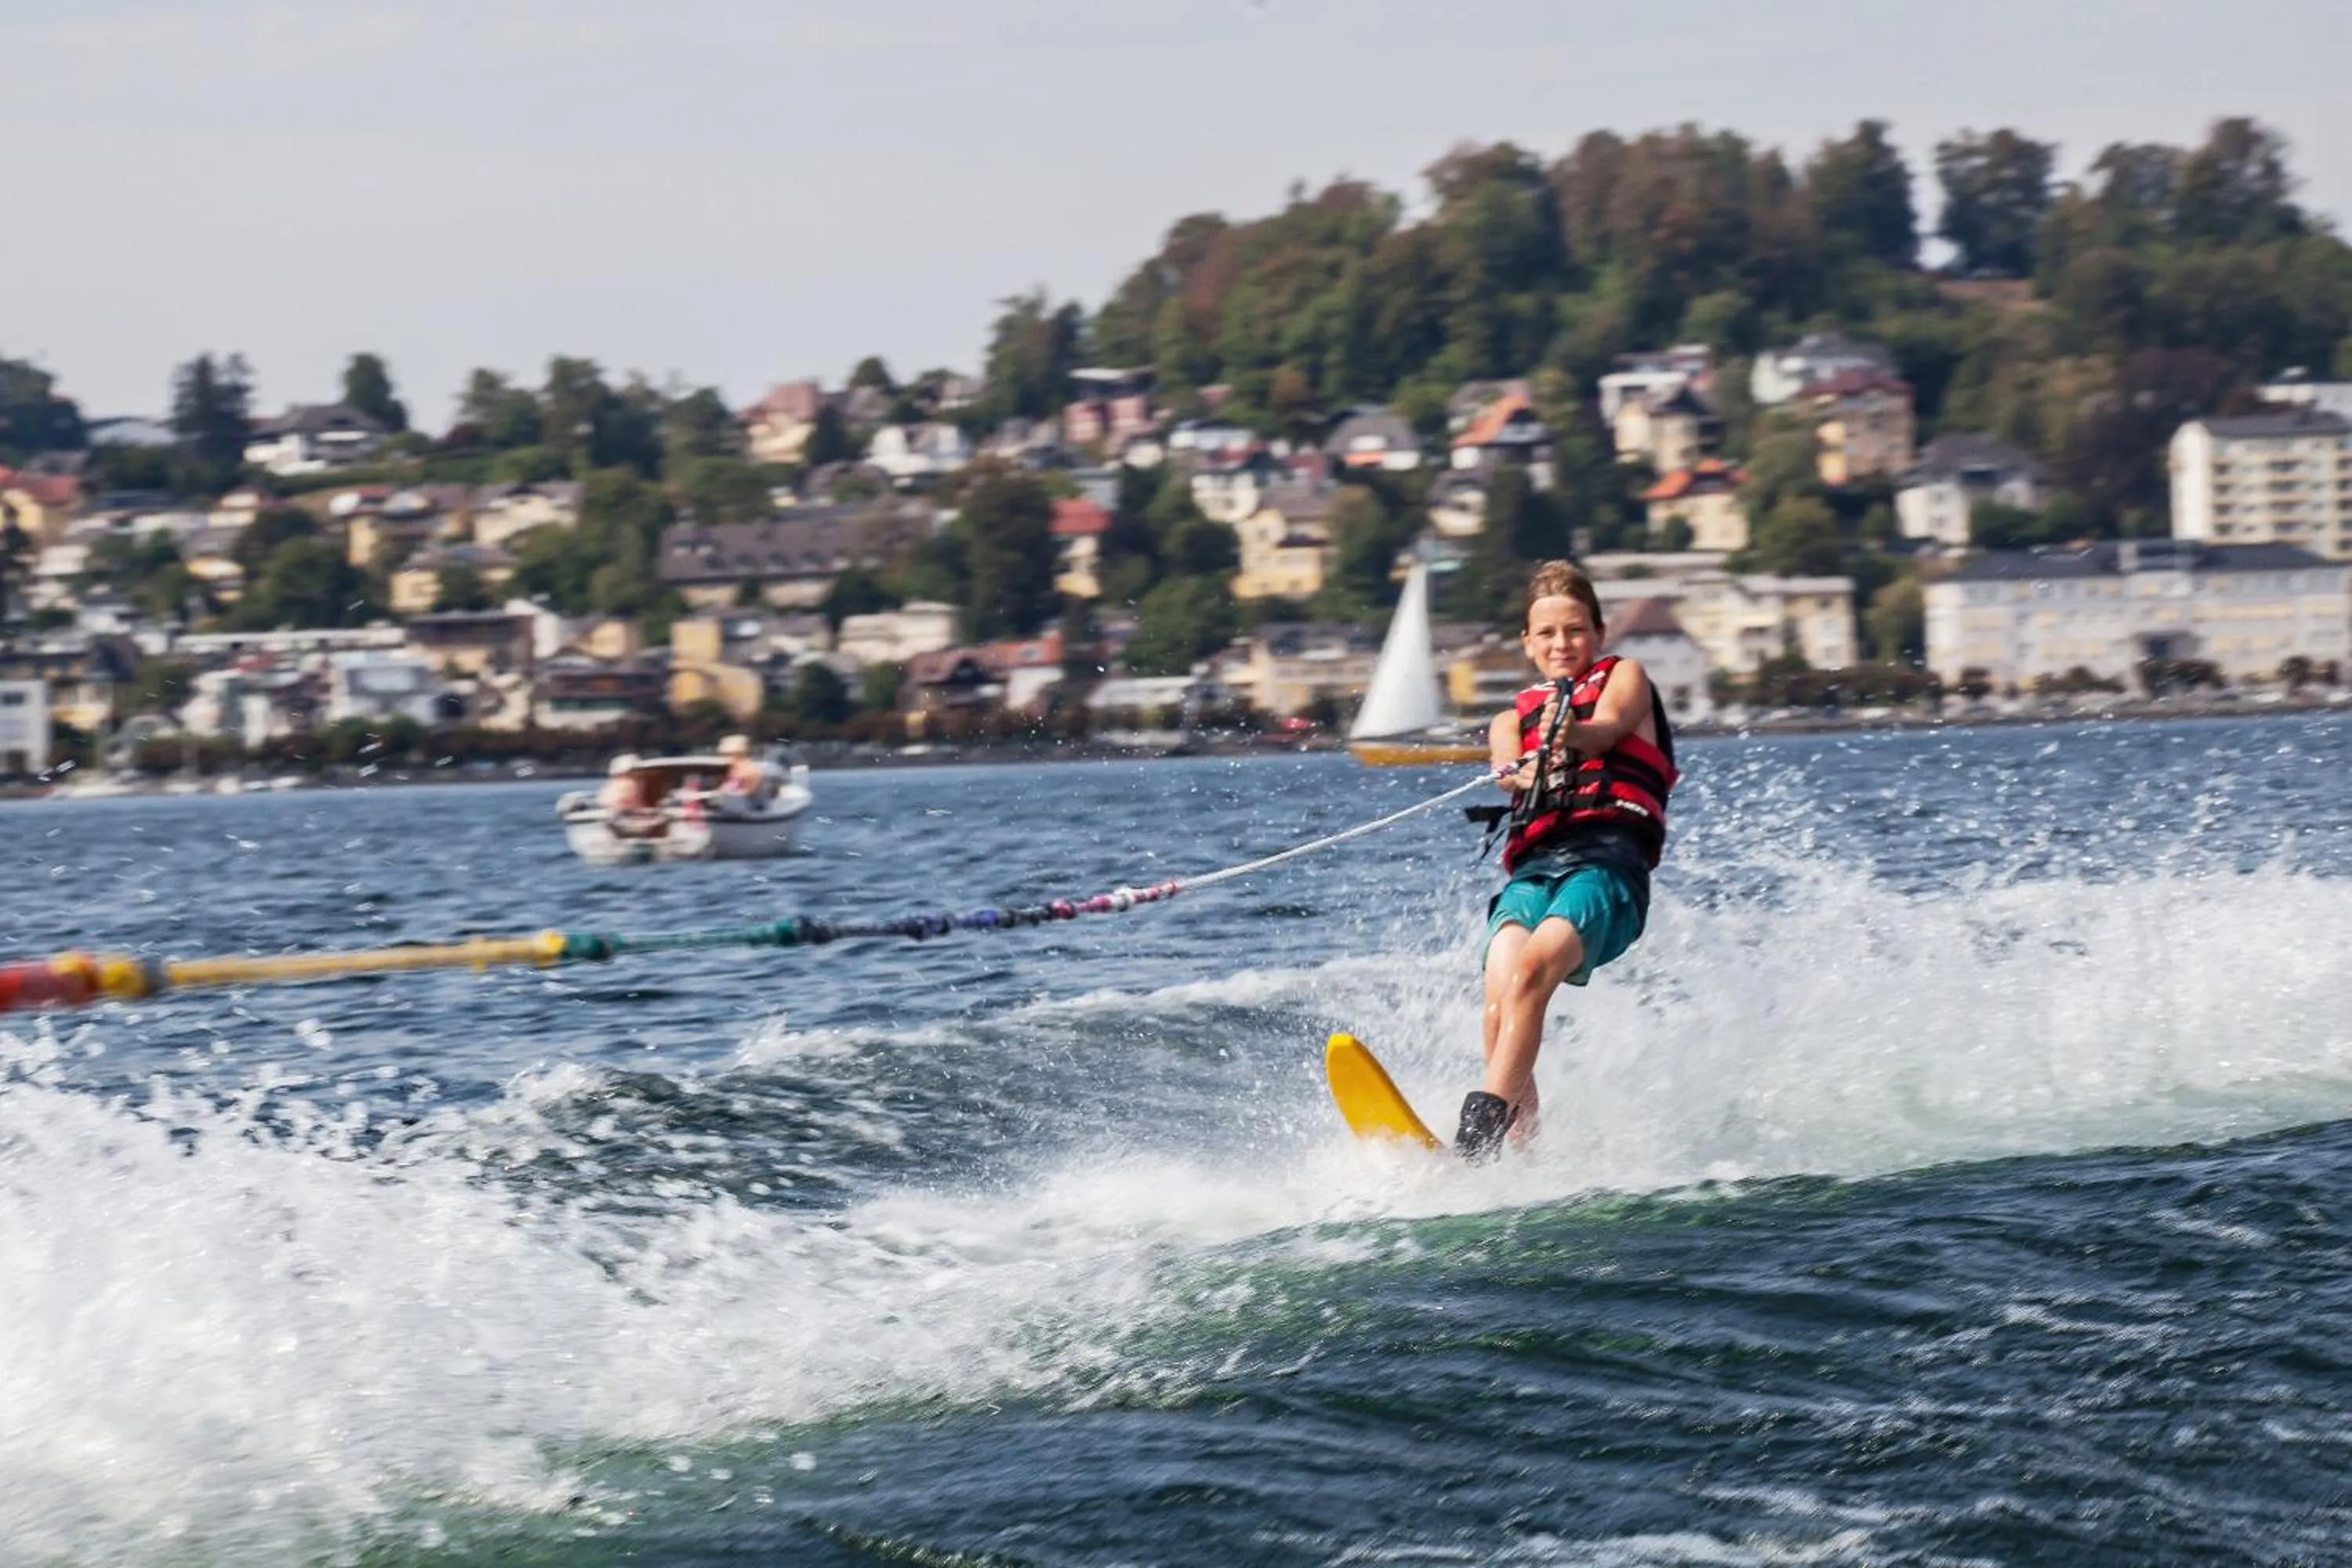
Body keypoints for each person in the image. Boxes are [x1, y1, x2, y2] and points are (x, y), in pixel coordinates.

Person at [1459, 560, 1679, 1161]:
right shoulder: (1510, 719)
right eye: (1548, 634)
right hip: (1537, 871)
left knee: (1532, 973)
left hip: (1606, 867)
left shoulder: (1625, 677)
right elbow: (1511, 772)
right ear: (1528, 644)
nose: (1563, 644)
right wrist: (1529, 763)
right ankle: (1524, 1153)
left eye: (1576, 630)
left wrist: (1568, 735)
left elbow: (1606, 730)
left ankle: (1473, 1145)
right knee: (1499, 999)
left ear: (1599, 633)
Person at [714, 733, 774, 806]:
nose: (723, 757)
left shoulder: (751, 769)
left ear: (739, 754)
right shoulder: (730, 768)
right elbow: (724, 787)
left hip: (750, 806)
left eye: (727, 754)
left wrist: (729, 795)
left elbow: (749, 791)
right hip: (729, 805)